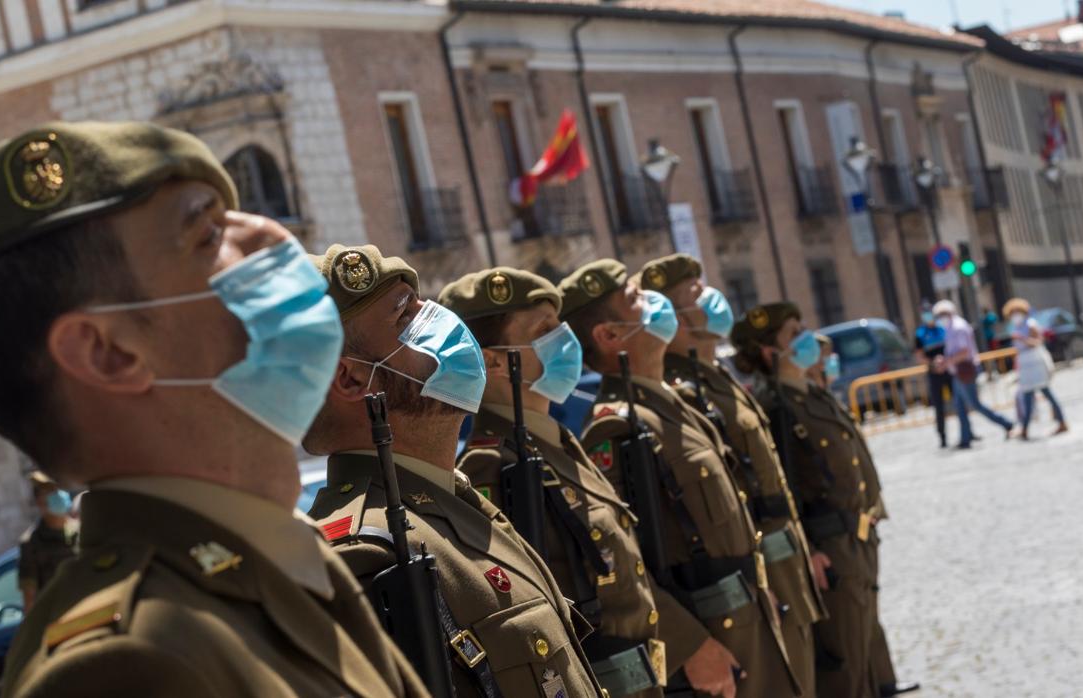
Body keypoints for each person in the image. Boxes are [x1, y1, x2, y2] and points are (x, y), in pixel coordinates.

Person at [0, 121, 426, 697]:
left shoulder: (279, 559)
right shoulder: (126, 666)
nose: (271, 236)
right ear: (108, 352)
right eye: (209, 235)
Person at [303, 245, 601, 697]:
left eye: (426, 307)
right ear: (351, 379)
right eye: (406, 318)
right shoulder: (368, 552)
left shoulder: (454, 503)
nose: (442, 325)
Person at [571, 260, 799, 698]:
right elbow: (619, 561)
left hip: (748, 622)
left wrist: (761, 587)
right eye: (636, 299)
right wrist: (688, 647)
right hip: (711, 647)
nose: (654, 305)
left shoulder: (674, 407)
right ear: (610, 335)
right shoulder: (614, 428)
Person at [440, 267, 669, 697]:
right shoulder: (493, 466)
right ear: (492, 360)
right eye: (544, 331)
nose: (565, 340)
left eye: (561, 325)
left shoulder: (558, 444)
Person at [639, 254, 827, 698]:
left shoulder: (715, 378)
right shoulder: (683, 391)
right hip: (750, 591)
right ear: (674, 316)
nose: (711, 298)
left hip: (779, 577)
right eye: (695, 295)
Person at [731, 303, 876, 698]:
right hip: (826, 549)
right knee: (841, 666)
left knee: (861, 659)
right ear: (769, 352)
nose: (805, 337)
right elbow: (780, 490)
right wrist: (807, 549)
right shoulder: (775, 406)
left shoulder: (807, 394)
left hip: (852, 538)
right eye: (794, 333)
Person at [810, 336, 920, 698]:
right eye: (826, 357)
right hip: (837, 530)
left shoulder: (826, 396)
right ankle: (876, 683)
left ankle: (883, 680)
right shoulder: (802, 403)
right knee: (854, 621)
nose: (830, 363)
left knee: (869, 607)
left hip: (862, 520)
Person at [933, 300, 1014, 448]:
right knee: (959, 406)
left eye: (941, 314)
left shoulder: (958, 327)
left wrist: (946, 361)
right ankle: (966, 437)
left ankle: (1006, 423)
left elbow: (964, 352)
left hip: (965, 370)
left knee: (974, 404)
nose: (939, 318)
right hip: (957, 371)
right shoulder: (950, 328)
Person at [1004, 298, 1068, 439]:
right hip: (1025, 364)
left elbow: (1038, 341)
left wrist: (1022, 339)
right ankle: (1025, 428)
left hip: (1035, 363)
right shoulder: (1015, 327)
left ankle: (1061, 422)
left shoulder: (1030, 324)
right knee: (1027, 396)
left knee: (1046, 393)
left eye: (1017, 312)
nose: (1015, 315)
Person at [17, 471, 79, 611]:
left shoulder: (80, 530)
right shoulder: (31, 544)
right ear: (40, 502)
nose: (58, 495)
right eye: (51, 492)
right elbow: (29, 599)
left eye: (59, 489)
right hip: (57, 618)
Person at [913, 304, 952, 448]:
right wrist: (933, 363)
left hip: (948, 370)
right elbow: (919, 356)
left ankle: (967, 432)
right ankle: (942, 437)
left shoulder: (942, 328)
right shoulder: (920, 333)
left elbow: (951, 347)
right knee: (939, 406)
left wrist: (945, 362)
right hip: (933, 373)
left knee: (959, 402)